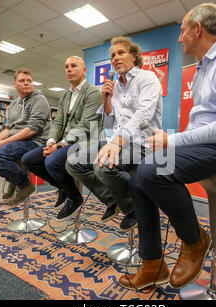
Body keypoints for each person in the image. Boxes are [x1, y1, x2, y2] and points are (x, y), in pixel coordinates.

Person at [119, 3, 216, 290]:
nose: (179, 38)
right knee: (139, 180)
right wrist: (170, 145)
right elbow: (201, 125)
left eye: (182, 31)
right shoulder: (202, 68)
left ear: (197, 29)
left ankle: (195, 241)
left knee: (152, 169)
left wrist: (171, 142)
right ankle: (152, 265)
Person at [66, 36, 163, 232]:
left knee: (103, 166)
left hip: (143, 143)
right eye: (112, 55)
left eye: (121, 53)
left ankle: (136, 208)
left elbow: (143, 115)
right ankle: (115, 201)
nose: (115, 58)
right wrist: (106, 100)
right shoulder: (115, 86)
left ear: (134, 57)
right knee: (74, 162)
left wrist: (117, 144)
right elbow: (110, 123)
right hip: (117, 141)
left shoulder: (148, 78)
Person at [22, 56, 107, 220]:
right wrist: (51, 141)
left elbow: (85, 125)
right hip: (63, 141)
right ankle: (63, 187)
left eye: (73, 66)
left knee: (52, 161)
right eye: (66, 66)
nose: (69, 69)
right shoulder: (64, 96)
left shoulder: (93, 93)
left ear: (84, 70)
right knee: (29, 159)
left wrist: (60, 145)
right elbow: (58, 122)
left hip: (85, 141)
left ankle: (74, 197)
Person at [0, 67, 51, 205]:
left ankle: (25, 185)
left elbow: (32, 130)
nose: (26, 83)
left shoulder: (40, 100)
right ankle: (14, 179)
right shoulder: (13, 104)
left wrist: (3, 143)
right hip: (15, 142)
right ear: (15, 84)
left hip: (34, 141)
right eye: (22, 80)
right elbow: (9, 128)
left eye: (29, 81)